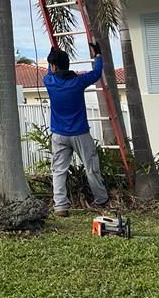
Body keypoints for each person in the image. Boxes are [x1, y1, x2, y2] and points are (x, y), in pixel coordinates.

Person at [44, 42, 110, 216]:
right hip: (80, 133)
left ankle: (60, 206)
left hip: (59, 134)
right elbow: (96, 73)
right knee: (91, 166)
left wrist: (50, 56)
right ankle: (101, 199)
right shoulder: (77, 82)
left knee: (58, 171)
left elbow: (48, 71)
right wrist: (98, 56)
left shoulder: (49, 81)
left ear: (53, 66)